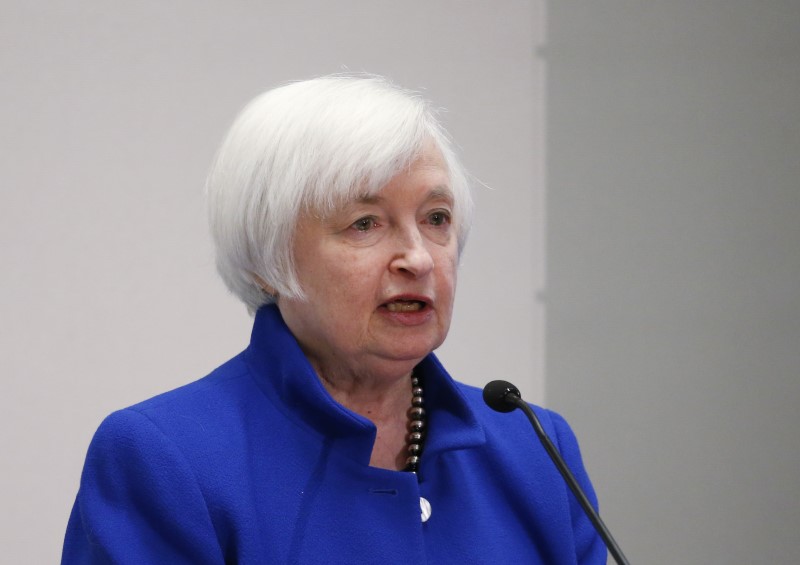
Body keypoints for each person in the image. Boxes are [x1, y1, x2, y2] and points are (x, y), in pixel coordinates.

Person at [62, 75, 606, 564]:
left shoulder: (535, 448)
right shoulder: (165, 458)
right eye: (365, 223)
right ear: (267, 260)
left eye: (436, 218)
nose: (418, 257)